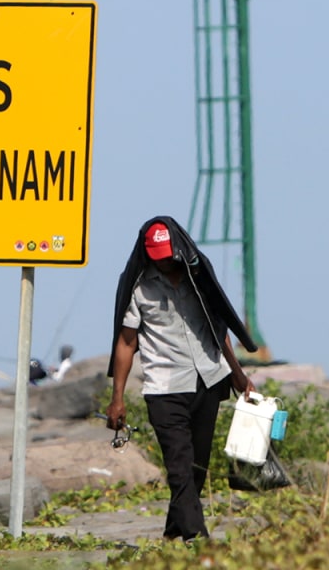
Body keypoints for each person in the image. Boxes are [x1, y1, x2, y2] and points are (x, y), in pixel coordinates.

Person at [106, 216, 258, 541]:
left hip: (209, 379)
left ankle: (173, 534)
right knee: (179, 469)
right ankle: (197, 539)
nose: (163, 263)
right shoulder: (139, 287)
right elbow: (126, 342)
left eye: (167, 256)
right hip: (164, 389)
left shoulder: (198, 278)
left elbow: (220, 330)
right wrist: (117, 397)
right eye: (156, 257)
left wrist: (238, 375)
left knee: (196, 470)